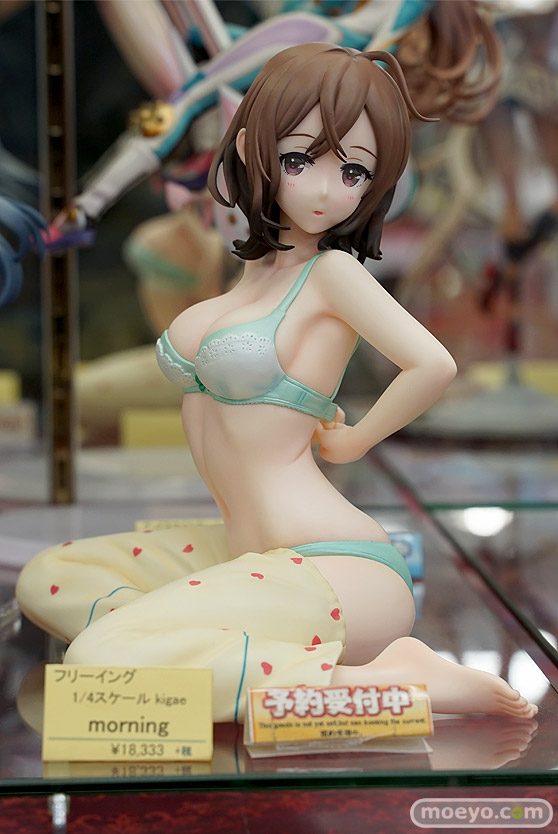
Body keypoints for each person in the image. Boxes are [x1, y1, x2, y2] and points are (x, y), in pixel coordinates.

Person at [16, 44, 536, 723]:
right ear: (253, 151)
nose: (324, 190)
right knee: (49, 577)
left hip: (332, 565)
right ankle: (188, 644)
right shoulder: (251, 280)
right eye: (298, 161)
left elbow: (433, 364)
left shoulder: (332, 274)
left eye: (353, 172)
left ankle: (388, 682)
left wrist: (355, 442)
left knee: (98, 659)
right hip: (245, 551)